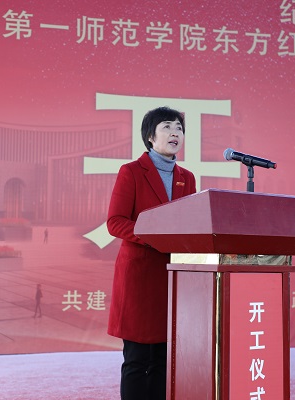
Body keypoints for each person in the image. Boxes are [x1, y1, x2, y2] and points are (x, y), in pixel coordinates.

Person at [107, 106, 196, 400]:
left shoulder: (187, 177)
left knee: (162, 360)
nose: (175, 133)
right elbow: (115, 222)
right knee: (136, 360)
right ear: (150, 136)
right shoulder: (131, 172)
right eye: (167, 126)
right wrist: (154, 237)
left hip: (172, 279)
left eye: (179, 128)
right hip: (140, 277)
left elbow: (188, 223)